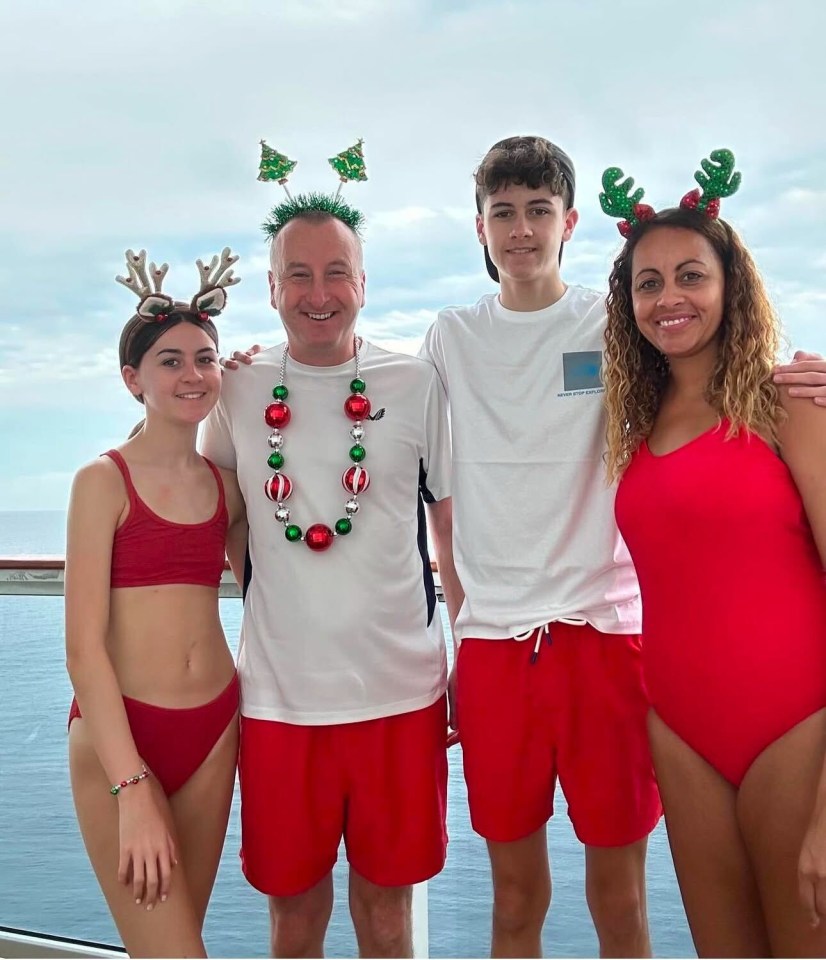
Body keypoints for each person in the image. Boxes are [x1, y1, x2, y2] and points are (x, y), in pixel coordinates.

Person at [418, 135, 660, 959]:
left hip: (606, 638)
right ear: (480, 229)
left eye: (538, 211)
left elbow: (713, 363)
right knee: (515, 898)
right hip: (494, 650)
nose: (521, 229)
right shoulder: (450, 337)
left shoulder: (612, 319)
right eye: (503, 213)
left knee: (619, 900)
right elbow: (421, 483)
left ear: (570, 222)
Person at [201, 193, 453, 959]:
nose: (318, 295)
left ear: (364, 283)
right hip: (281, 703)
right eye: (298, 275)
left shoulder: (412, 381)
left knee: (386, 916)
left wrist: (467, 657)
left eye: (336, 272)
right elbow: (214, 510)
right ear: (272, 289)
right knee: (295, 919)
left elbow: (451, 526)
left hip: (400, 697)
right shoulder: (236, 388)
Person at [602, 149, 826, 958]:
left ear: (731, 286)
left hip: (799, 731)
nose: (669, 298)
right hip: (682, 735)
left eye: (690, 275)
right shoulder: (637, 430)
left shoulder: (791, 405)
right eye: (648, 282)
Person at [65, 248, 247, 958]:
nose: (192, 374)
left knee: (175, 946)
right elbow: (82, 648)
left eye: (206, 359)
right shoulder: (101, 482)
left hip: (214, 731)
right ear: (132, 379)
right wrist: (130, 783)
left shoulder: (224, 488)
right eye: (170, 361)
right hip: (122, 738)